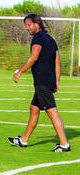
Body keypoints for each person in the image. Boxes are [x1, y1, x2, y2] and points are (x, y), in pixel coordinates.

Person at [8, 13, 70, 152]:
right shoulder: (51, 39)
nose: (27, 28)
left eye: (29, 25)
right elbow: (57, 62)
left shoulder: (38, 38)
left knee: (51, 112)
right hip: (48, 81)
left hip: (42, 82)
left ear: (37, 23)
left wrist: (20, 71)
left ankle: (64, 144)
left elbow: (33, 57)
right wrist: (57, 81)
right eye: (26, 26)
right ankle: (24, 140)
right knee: (34, 109)